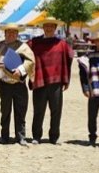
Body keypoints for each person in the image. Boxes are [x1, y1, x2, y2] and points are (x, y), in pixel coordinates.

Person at [28, 16, 73, 145]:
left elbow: (69, 57)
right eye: (46, 26)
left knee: (56, 110)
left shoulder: (62, 44)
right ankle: (36, 136)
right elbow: (23, 53)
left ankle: (54, 136)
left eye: (51, 26)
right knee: (38, 110)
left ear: (55, 28)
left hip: (56, 81)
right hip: (39, 80)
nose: (48, 28)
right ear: (43, 28)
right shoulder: (34, 43)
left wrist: (65, 78)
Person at [0, 23, 35, 146]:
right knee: (5, 111)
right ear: (5, 33)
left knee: (20, 111)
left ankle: (21, 137)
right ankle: (4, 136)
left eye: (14, 32)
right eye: (8, 32)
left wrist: (21, 70)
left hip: (19, 84)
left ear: (17, 34)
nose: (11, 34)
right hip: (4, 85)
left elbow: (30, 61)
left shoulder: (23, 47)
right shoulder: (0, 46)